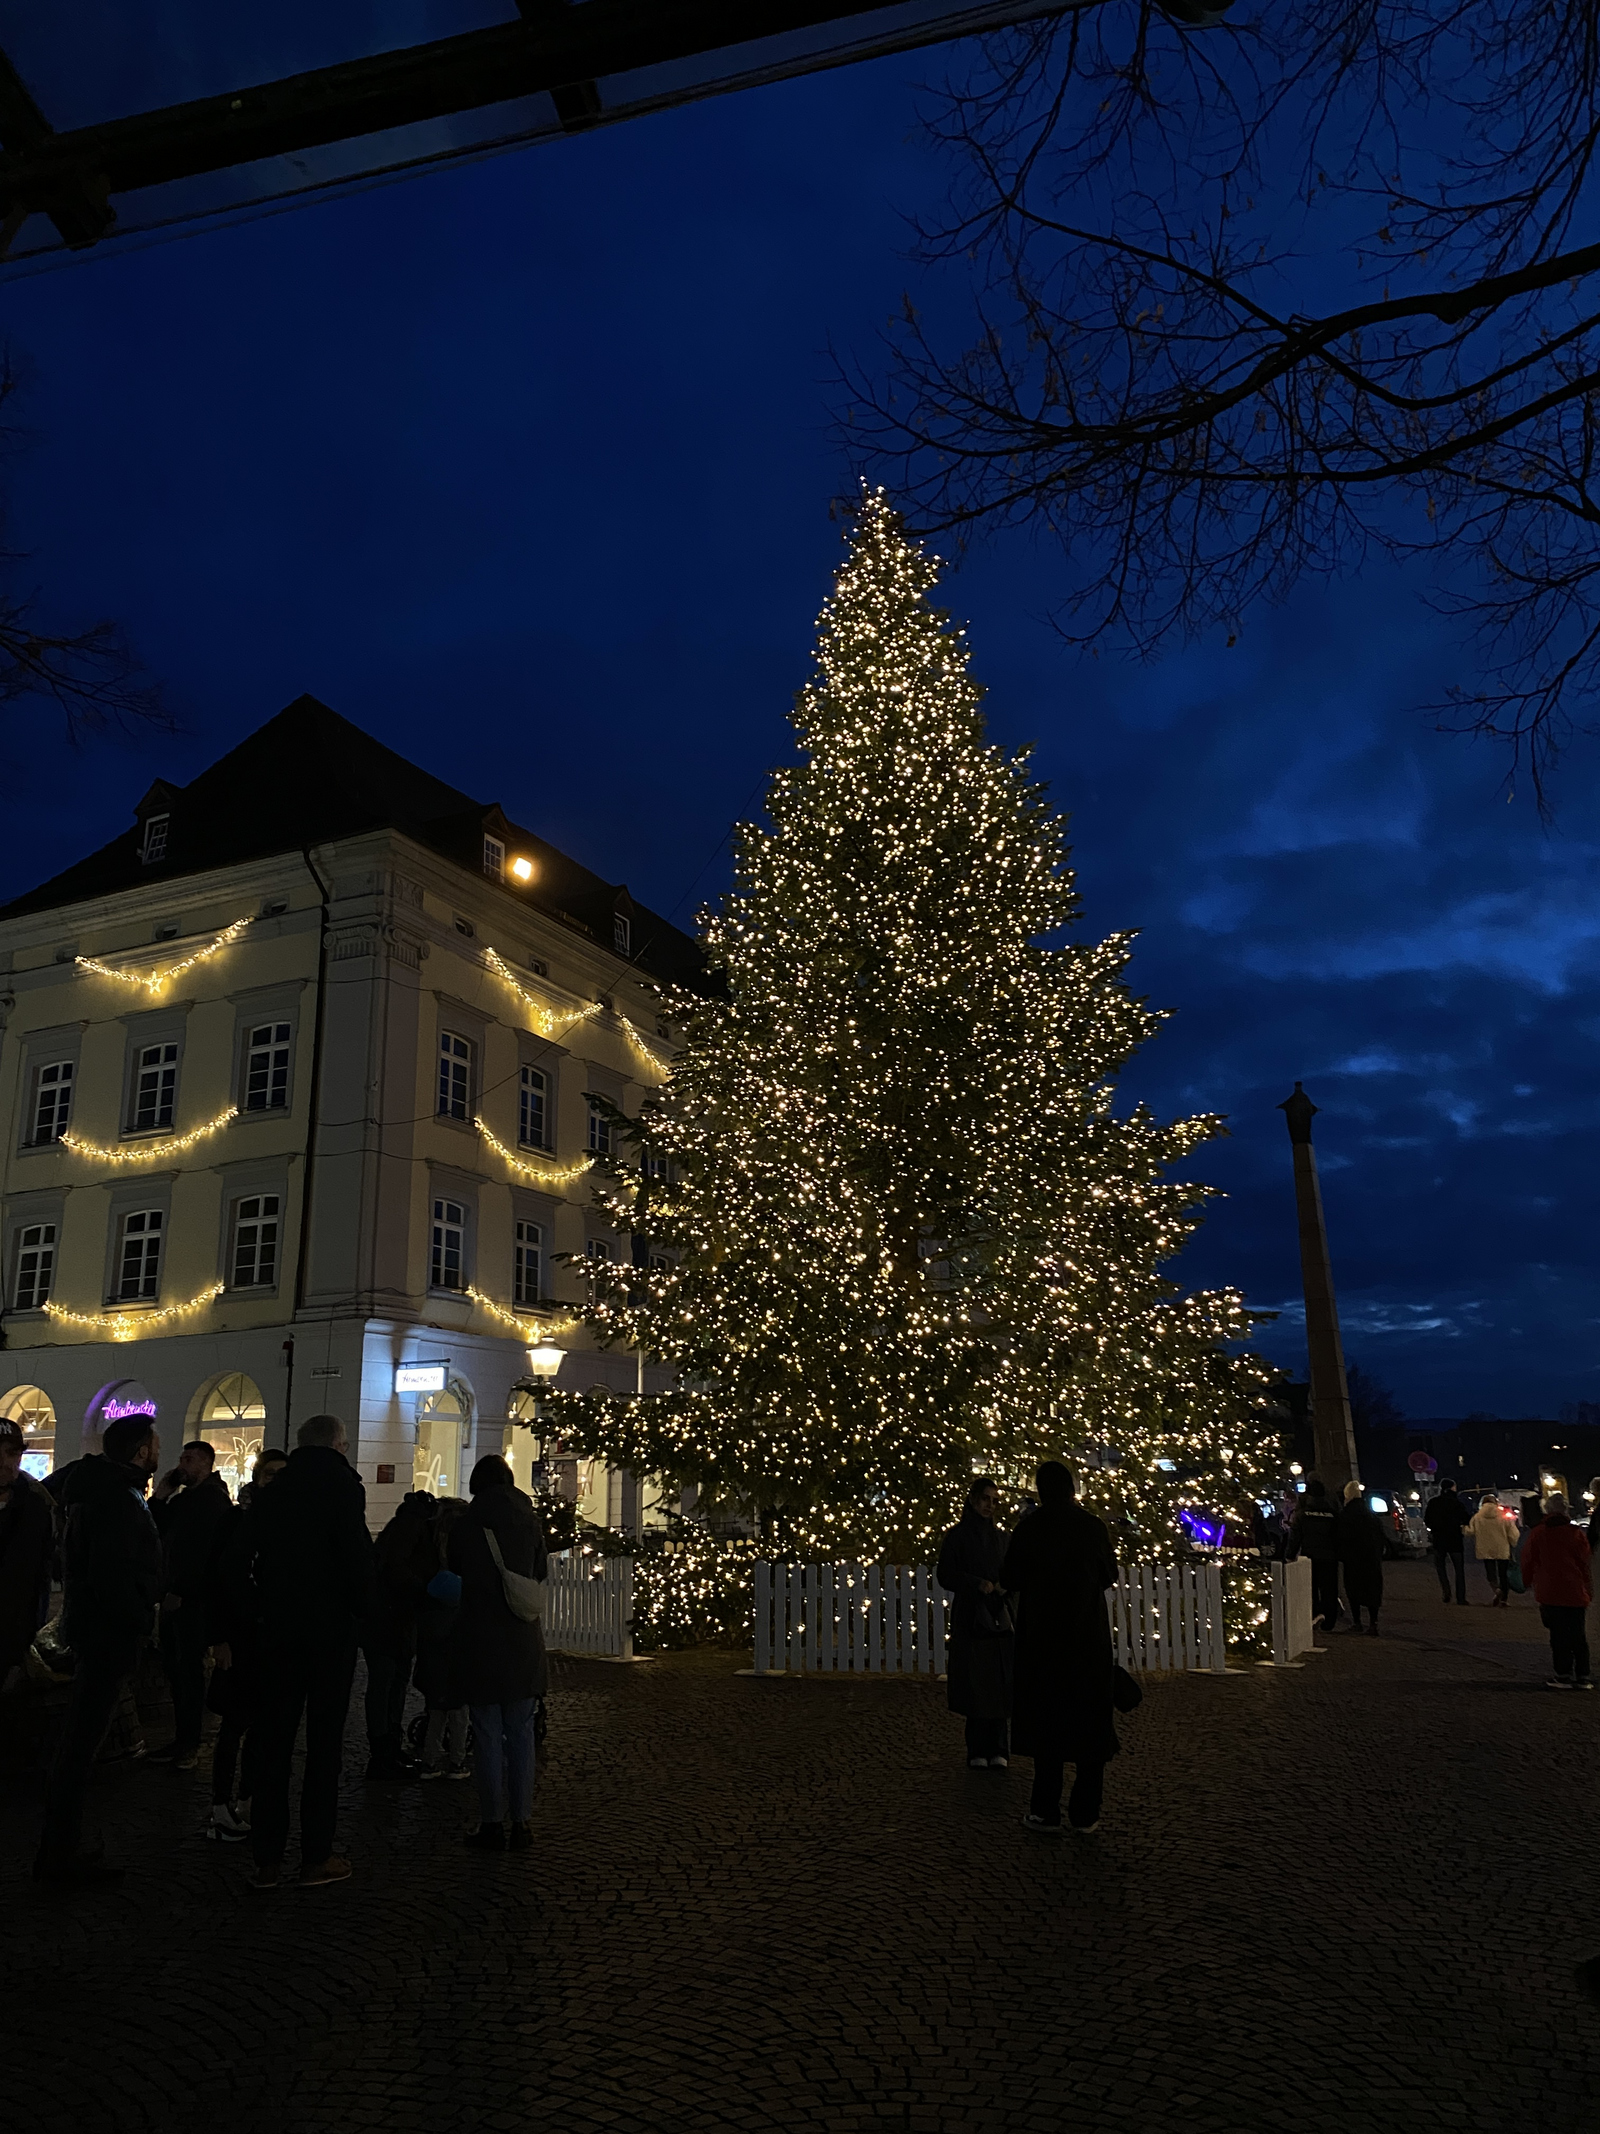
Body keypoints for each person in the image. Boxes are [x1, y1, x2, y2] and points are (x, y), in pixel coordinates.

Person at [33, 1416, 164, 1885]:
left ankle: (61, 1847)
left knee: (79, 1741)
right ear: (140, 1451)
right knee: (80, 1744)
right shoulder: (115, 1500)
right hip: (108, 1635)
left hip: (98, 1631)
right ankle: (59, 1854)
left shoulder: (104, 1491)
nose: (158, 1449)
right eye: (154, 1443)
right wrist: (136, 1616)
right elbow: (115, 1574)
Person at [247, 1415, 373, 1892]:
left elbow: (244, 1556)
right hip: (329, 1631)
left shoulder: (274, 1491)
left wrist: (256, 1610)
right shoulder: (342, 1487)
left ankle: (266, 1859)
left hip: (278, 1630)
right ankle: (315, 1855)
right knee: (324, 1744)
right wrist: (363, 1612)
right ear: (338, 1445)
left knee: (274, 1741)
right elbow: (355, 1557)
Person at [999, 1461, 1118, 1835]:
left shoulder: (1029, 1529)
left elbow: (1010, 1577)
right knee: (1089, 1726)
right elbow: (1109, 1575)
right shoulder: (1092, 1527)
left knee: (1046, 1727)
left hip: (1042, 1641)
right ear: (1071, 1489)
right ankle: (1086, 1811)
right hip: (1086, 1639)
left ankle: (1045, 1809)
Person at [448, 1454, 548, 1852]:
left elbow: (454, 1566)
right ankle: (522, 1821)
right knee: (521, 1732)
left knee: (487, 1732)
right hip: (522, 1638)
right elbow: (540, 1569)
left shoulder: (469, 1523)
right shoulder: (529, 1519)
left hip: (481, 1637)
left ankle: (491, 1822)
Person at [203, 1446, 288, 1842]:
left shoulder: (286, 1523)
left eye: (282, 1475)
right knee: (235, 1724)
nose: (276, 1482)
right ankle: (221, 1806)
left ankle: (249, 1797)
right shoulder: (236, 1521)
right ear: (257, 1478)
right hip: (239, 1638)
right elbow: (219, 1581)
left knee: (261, 1725)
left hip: (270, 1640)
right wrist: (218, 1637)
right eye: (270, 1474)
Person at [149, 1439, 233, 1768]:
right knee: (176, 1667)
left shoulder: (212, 1501)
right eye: (182, 1457)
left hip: (192, 1601)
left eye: (191, 1459)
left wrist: (181, 1591)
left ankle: (190, 1741)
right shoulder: (188, 1499)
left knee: (188, 1670)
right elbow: (157, 1526)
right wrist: (162, 1493)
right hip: (175, 1596)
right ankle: (183, 1738)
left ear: (207, 1464)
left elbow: (203, 1556)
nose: (183, 1463)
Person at [936, 1476, 1014, 1768]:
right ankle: (978, 1747)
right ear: (973, 1500)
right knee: (977, 1681)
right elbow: (946, 1573)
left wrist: (1004, 1585)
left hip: (997, 1614)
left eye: (994, 1501)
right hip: (972, 1615)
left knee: (997, 1680)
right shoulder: (958, 1537)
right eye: (985, 1499)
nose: (990, 1506)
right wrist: (974, 1584)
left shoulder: (1002, 1538)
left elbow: (1012, 1572)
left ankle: (999, 1747)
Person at [361, 1490, 437, 1780]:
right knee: (388, 1685)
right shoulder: (414, 1529)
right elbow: (399, 1571)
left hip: (387, 1620)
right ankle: (384, 1750)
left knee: (388, 1684)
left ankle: (387, 1747)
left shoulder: (401, 1526)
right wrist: (424, 1590)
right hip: (393, 1620)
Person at [415, 1497, 471, 1779]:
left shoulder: (429, 1546)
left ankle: (430, 1759)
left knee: (436, 1708)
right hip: (454, 1641)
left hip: (432, 1640)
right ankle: (457, 1760)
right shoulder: (461, 1553)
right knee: (458, 1711)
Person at [0, 1416, 56, 1692]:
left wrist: (25, 1643)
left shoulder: (36, 1506)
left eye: (11, 1453)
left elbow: (39, 1578)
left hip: (10, 1640)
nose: (4, 1462)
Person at [1521, 1493, 1594, 1690]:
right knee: (1578, 1634)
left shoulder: (1538, 1533)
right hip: (1575, 1590)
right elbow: (1584, 1562)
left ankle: (1563, 1674)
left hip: (1550, 1591)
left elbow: (1528, 1560)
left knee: (1558, 1634)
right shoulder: (1575, 1532)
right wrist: (1588, 1588)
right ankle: (1583, 1675)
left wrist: (1525, 1582)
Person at [1289, 1477, 1343, 1635]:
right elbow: (1339, 1535)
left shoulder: (1302, 1514)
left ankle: (1313, 1615)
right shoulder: (1332, 1513)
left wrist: (1290, 1555)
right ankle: (1329, 1621)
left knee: (1310, 1589)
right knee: (1330, 1590)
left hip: (1309, 1556)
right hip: (1329, 1557)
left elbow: (1295, 1537)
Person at [1337, 1481, 1386, 1635]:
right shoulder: (1371, 1516)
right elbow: (1380, 1537)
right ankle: (1373, 1623)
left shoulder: (1344, 1516)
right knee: (1372, 1590)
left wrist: (1342, 1554)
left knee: (1353, 1590)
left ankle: (1357, 1622)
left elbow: (1340, 1538)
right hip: (1371, 1559)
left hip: (1353, 1559)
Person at [1423, 1478, 1471, 1604]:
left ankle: (1446, 1593)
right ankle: (1460, 1598)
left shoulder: (1433, 1502)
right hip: (1455, 1539)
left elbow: (1427, 1519)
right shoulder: (1457, 1503)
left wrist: (1434, 1529)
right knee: (1459, 1570)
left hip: (1439, 1539)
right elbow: (1466, 1519)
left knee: (1440, 1567)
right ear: (1451, 1488)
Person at [1468, 1492, 1514, 1607]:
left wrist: (1462, 1528)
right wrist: (1512, 1542)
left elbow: (1470, 1531)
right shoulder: (1503, 1516)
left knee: (1491, 1573)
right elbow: (1513, 1533)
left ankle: (1496, 1590)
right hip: (1502, 1548)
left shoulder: (1477, 1517)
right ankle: (1504, 1599)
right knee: (1503, 1574)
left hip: (1485, 1548)